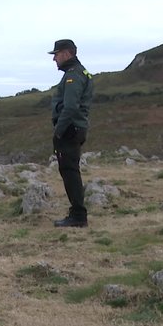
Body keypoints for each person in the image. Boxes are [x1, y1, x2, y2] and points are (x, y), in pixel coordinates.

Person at [49, 39, 94, 227]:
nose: (54, 59)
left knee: (69, 172)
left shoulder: (73, 76)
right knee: (71, 171)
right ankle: (77, 213)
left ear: (67, 54)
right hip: (75, 128)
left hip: (69, 130)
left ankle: (78, 216)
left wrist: (58, 131)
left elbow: (70, 107)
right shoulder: (79, 72)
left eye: (56, 54)